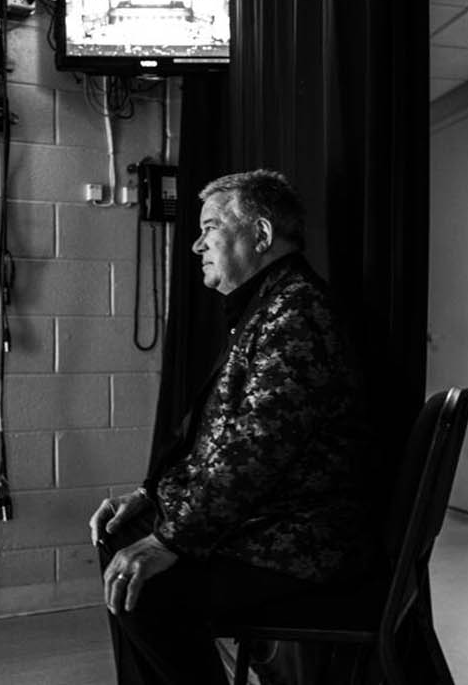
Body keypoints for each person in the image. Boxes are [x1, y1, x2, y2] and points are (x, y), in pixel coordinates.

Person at [88, 169, 373, 685]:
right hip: (271, 526)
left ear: (261, 236)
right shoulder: (267, 307)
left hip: (299, 544)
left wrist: (169, 539)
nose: (196, 243)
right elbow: (217, 443)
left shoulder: (296, 313)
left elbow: (251, 453)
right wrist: (152, 495)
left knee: (144, 586)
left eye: (211, 226)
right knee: (120, 534)